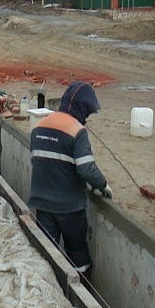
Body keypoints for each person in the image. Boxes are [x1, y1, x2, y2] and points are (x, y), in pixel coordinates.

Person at [29, 81, 112, 277]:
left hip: (42, 202)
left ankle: (49, 290)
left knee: (46, 251)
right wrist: (103, 185)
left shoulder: (40, 125)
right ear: (82, 109)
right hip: (69, 207)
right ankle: (80, 296)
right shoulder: (77, 131)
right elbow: (86, 168)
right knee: (77, 254)